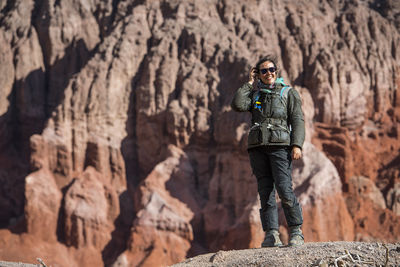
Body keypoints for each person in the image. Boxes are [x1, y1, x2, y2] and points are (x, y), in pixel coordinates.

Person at [231, 55, 305, 247]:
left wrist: (297, 144)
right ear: (258, 74)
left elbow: (297, 120)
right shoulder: (255, 95)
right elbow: (238, 104)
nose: (268, 73)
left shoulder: (288, 93)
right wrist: (249, 83)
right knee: (265, 192)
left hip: (280, 147)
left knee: (284, 188)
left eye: (271, 69)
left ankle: (296, 231)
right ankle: (271, 234)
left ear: (276, 71)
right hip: (257, 149)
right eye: (263, 71)